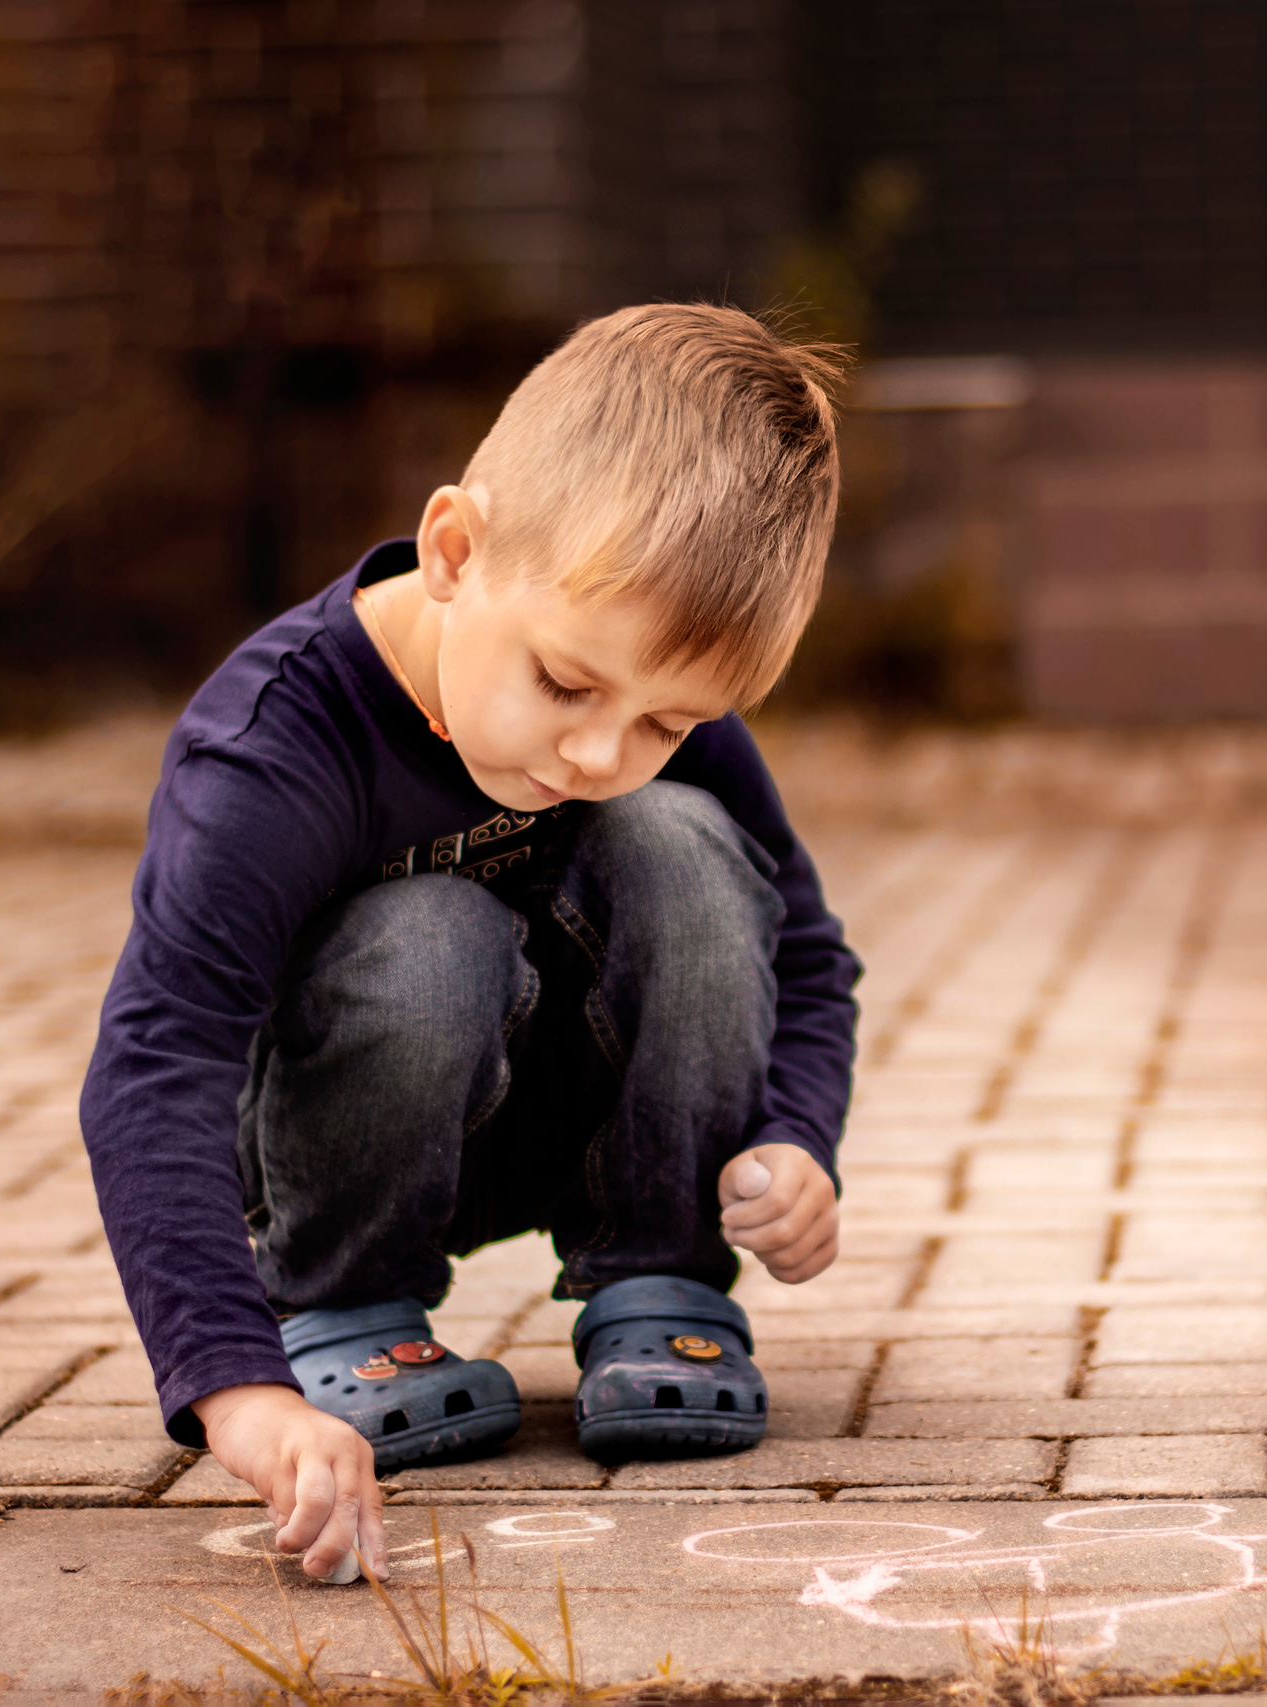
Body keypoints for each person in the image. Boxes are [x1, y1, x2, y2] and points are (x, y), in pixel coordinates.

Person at [79, 304, 860, 1583]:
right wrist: (239, 1387)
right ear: (454, 550)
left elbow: (809, 956)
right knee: (428, 928)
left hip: (575, 1119)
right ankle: (353, 1305)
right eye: (564, 684)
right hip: (342, 1131)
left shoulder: (641, 708)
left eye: (665, 717)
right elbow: (154, 1067)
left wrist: (793, 1136)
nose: (602, 752)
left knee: (681, 842)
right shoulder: (273, 754)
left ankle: (657, 1284)